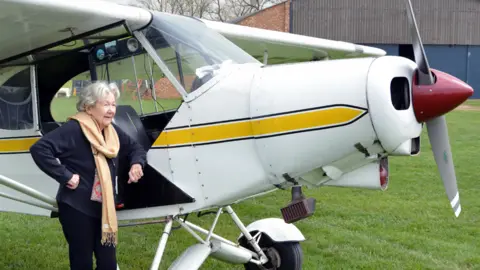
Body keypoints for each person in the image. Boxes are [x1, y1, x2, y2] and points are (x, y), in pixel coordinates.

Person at [30, 81, 147, 270]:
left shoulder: (110, 132)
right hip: (77, 207)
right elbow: (39, 149)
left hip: (104, 209)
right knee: (82, 262)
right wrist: (65, 176)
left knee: (108, 264)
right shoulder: (74, 129)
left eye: (113, 105)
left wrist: (136, 163)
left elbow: (136, 148)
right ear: (89, 107)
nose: (111, 110)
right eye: (105, 104)